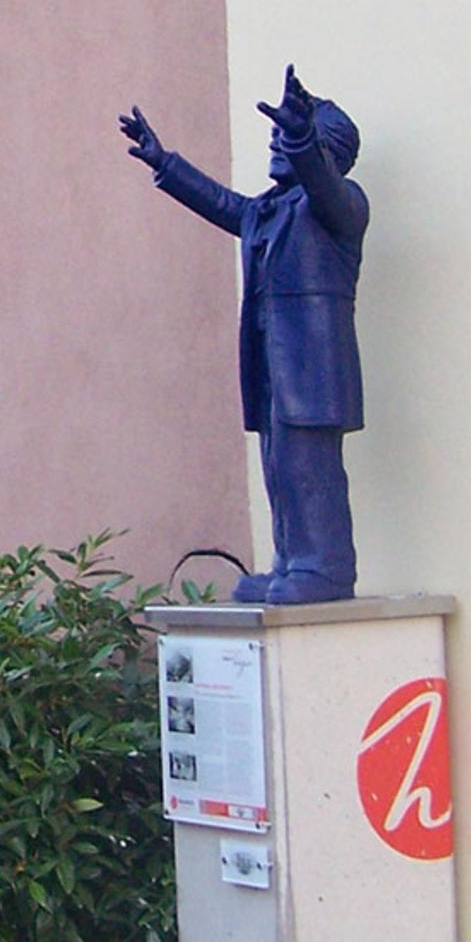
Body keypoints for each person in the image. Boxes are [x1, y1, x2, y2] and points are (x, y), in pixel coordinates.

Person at [122, 65, 369, 604]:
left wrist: (303, 136)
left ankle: (325, 568)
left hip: (312, 365)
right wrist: (165, 163)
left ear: (324, 151)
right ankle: (291, 563)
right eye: (277, 136)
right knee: (279, 467)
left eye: (290, 138)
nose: (277, 145)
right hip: (270, 362)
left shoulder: (340, 204)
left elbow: (323, 186)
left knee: (312, 469)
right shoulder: (267, 210)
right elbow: (223, 205)